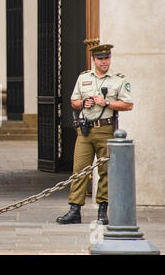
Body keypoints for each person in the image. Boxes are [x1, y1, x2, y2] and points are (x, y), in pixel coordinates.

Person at [56, 44, 133, 225]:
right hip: (85, 130)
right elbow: (73, 101)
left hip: (105, 129)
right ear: (94, 60)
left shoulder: (118, 79)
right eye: (100, 59)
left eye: (107, 58)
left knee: (105, 171)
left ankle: (102, 211)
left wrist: (106, 102)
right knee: (79, 170)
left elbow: (128, 105)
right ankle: (75, 210)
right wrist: (83, 103)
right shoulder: (83, 78)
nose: (104, 62)